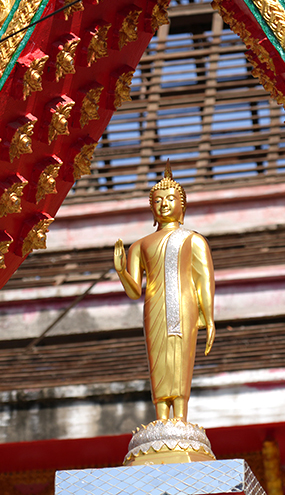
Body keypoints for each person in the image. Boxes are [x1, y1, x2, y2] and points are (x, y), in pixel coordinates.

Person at [114, 162, 215, 422]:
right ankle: (161, 416)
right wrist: (121, 271)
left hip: (184, 305)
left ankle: (180, 416)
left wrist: (209, 318)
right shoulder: (139, 245)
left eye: (171, 199)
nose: (164, 205)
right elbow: (134, 292)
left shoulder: (193, 239)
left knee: (181, 356)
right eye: (157, 201)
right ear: (151, 208)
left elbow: (204, 280)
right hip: (155, 306)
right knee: (158, 359)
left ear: (183, 205)